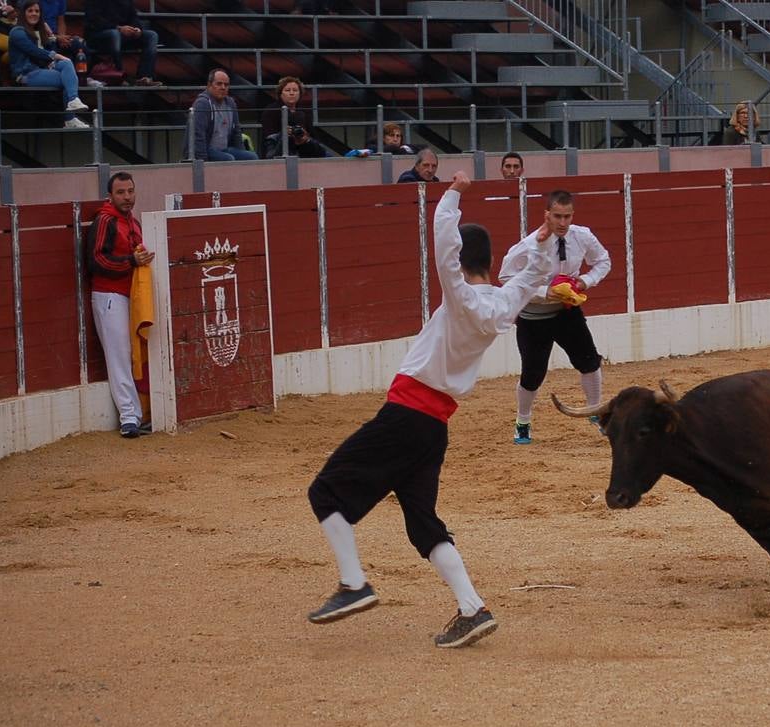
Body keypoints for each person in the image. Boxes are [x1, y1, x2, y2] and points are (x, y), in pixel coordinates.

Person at [306, 170, 557, 648]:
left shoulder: (462, 297)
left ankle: (353, 583)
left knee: (324, 493)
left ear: (464, 261)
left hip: (405, 416)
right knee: (423, 522)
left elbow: (444, 247)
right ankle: (472, 608)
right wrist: (541, 242)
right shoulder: (503, 304)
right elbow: (530, 277)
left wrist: (452, 195)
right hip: (433, 427)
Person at [498, 189, 610, 445]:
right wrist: (543, 292)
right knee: (533, 374)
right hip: (533, 317)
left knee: (590, 361)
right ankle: (523, 421)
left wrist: (584, 281)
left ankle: (596, 411)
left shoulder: (582, 236)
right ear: (546, 214)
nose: (562, 223)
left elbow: (603, 261)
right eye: (557, 216)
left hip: (566, 311)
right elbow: (505, 278)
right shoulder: (528, 245)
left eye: (567, 216)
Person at [87, 171, 152, 438]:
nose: (127, 197)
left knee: (131, 352)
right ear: (110, 196)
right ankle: (129, 417)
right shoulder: (104, 221)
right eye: (121, 192)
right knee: (119, 355)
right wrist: (131, 262)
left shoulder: (133, 222)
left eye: (130, 191)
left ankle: (138, 413)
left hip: (130, 295)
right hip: (109, 296)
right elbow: (96, 261)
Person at [8, 0, 89, 129]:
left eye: (37, 11)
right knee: (67, 78)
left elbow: (49, 47)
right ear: (23, 14)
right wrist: (55, 56)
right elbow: (34, 51)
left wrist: (50, 33)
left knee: (66, 64)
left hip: (43, 69)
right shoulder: (17, 32)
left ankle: (73, 101)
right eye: (30, 11)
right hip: (27, 73)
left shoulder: (40, 31)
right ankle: (70, 118)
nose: (34, 14)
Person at [83, 0, 159, 86]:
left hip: (122, 35)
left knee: (152, 35)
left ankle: (144, 77)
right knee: (114, 34)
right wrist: (118, 28)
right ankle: (120, 75)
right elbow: (93, 20)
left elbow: (133, 17)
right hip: (98, 35)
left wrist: (137, 29)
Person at [190, 69, 257, 161]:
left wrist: (241, 154)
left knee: (251, 157)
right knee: (228, 159)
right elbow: (198, 135)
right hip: (206, 150)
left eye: (226, 85)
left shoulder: (231, 103)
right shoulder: (202, 103)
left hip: (224, 149)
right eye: (219, 84)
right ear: (209, 85)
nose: (223, 87)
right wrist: (201, 161)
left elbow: (236, 131)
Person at [260, 75, 328, 158]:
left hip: (304, 148)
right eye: (287, 90)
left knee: (328, 155)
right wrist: (283, 134)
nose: (291, 93)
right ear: (280, 94)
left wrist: (306, 138)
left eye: (295, 90)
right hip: (278, 149)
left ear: (300, 94)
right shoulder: (270, 111)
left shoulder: (304, 111)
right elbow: (269, 139)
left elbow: (314, 136)